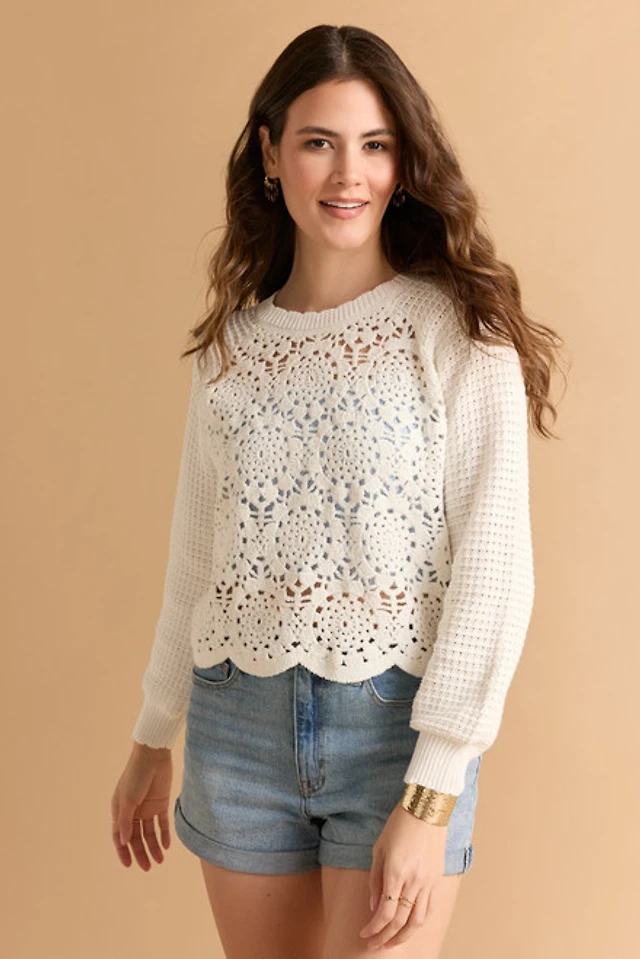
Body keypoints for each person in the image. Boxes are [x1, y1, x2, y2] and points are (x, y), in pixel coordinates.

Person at [110, 23, 563, 959]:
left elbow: (494, 573)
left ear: (403, 164)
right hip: (236, 727)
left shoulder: (457, 335)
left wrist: (430, 793)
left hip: (394, 734)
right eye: (319, 141)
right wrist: (153, 733)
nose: (349, 174)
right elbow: (195, 562)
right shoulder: (231, 349)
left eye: (376, 145)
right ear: (271, 154)